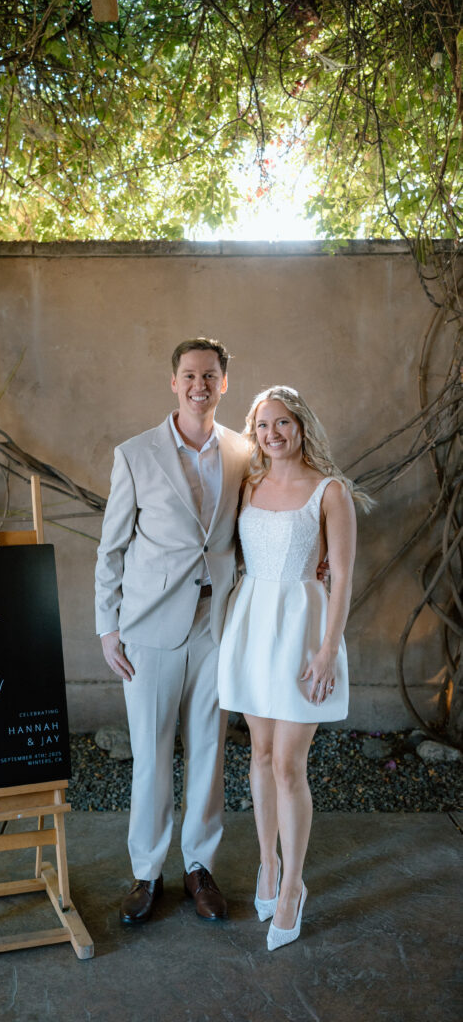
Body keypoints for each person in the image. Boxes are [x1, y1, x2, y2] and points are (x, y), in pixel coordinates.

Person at [95, 338, 250, 923]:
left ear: (223, 383)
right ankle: (147, 873)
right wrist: (107, 628)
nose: (198, 385)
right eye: (189, 375)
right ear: (174, 382)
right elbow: (111, 549)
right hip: (149, 627)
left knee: (209, 752)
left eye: (209, 376)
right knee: (152, 756)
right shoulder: (136, 454)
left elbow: (254, 530)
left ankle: (199, 868)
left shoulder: (243, 452)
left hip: (217, 625)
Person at [218, 384, 371, 950]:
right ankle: (268, 864)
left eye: (282, 423)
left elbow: (343, 577)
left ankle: (292, 888)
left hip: (303, 630)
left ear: (301, 426)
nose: (272, 434)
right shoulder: (249, 484)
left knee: (288, 764)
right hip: (252, 624)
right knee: (259, 754)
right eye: (262, 426)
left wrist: (328, 650)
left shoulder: (331, 492)